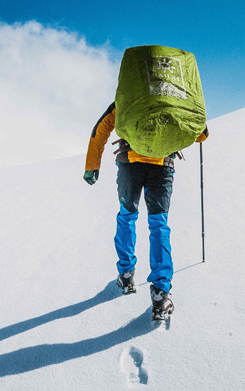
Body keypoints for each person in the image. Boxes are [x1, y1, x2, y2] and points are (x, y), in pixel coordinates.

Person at [84, 102, 209, 319]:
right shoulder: (174, 95)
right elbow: (201, 133)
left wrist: (92, 165)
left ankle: (125, 275)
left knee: (127, 217)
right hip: (163, 165)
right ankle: (160, 294)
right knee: (159, 225)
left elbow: (101, 128)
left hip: (129, 162)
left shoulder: (130, 94)